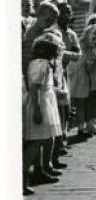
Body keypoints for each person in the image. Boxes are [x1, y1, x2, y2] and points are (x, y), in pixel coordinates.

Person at [22, 33, 65, 195]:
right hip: (41, 104)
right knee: (36, 142)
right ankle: (23, 176)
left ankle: (34, 172)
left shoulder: (35, 62)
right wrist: (38, 110)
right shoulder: (44, 65)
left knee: (41, 139)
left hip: (45, 101)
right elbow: (35, 88)